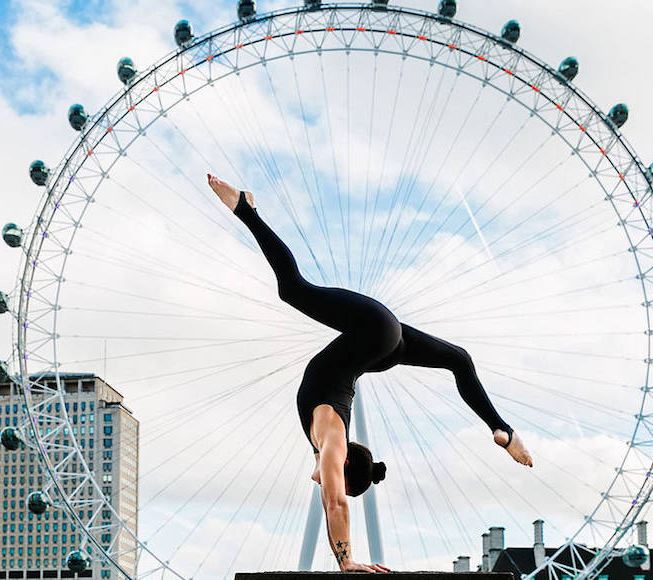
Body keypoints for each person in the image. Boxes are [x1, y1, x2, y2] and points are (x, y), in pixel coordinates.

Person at [206, 174, 533, 573]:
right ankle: (245, 208)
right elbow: (335, 502)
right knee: (292, 289)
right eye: (331, 479)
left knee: (459, 359)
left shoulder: (331, 432)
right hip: (372, 330)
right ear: (342, 468)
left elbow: (334, 493)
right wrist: (347, 561)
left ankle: (503, 431)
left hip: (382, 349)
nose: (319, 483)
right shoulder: (330, 439)